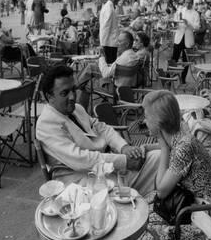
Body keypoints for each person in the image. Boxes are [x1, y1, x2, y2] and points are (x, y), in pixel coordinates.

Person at [113, 90, 211, 240]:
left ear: (159, 123)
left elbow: (161, 191)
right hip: (194, 205)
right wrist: (153, 147)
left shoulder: (182, 147)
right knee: (139, 212)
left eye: (147, 117)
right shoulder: (180, 135)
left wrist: (162, 148)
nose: (143, 121)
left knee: (149, 229)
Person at [35, 65, 161, 196]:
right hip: (81, 181)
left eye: (73, 89)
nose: (72, 96)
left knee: (159, 156)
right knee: (155, 167)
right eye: (64, 93)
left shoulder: (77, 109)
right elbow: (80, 159)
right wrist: (124, 161)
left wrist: (123, 147)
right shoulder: (46, 124)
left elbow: (102, 128)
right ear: (50, 97)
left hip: (106, 167)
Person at [172, 0, 200, 83]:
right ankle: (170, 76)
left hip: (188, 39)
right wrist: (174, 23)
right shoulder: (180, 10)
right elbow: (175, 21)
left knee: (186, 60)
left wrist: (188, 23)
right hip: (179, 37)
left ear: (192, 3)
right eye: (186, 2)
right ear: (184, 2)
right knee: (174, 58)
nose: (187, 4)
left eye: (190, 3)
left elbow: (197, 27)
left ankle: (183, 79)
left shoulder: (195, 13)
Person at [99, 0, 119, 64]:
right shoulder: (108, 8)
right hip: (109, 43)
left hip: (110, 41)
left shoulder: (110, 6)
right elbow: (106, 26)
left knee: (110, 63)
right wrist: (102, 43)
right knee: (109, 64)